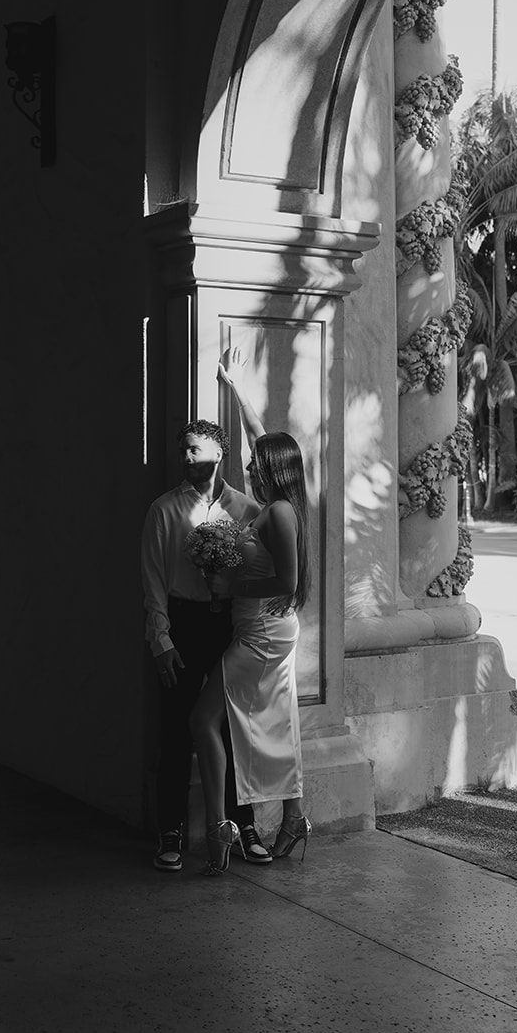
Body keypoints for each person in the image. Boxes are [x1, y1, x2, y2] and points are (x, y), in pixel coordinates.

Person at [190, 347, 312, 875]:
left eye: (257, 465)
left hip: (262, 630)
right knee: (277, 721)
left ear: (275, 472)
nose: (248, 465)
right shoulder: (277, 506)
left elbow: (287, 579)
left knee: (203, 717)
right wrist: (236, 386)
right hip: (266, 626)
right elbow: (258, 433)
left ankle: (221, 826)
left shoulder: (279, 512)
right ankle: (293, 817)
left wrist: (230, 578)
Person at [140, 417, 272, 871]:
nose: (188, 459)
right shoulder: (163, 511)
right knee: (176, 728)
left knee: (235, 728)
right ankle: (171, 830)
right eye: (184, 452)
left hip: (228, 628)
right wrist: (161, 642)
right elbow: (153, 582)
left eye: (196, 450)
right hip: (182, 625)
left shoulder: (246, 509)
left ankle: (244, 824)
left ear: (220, 454)